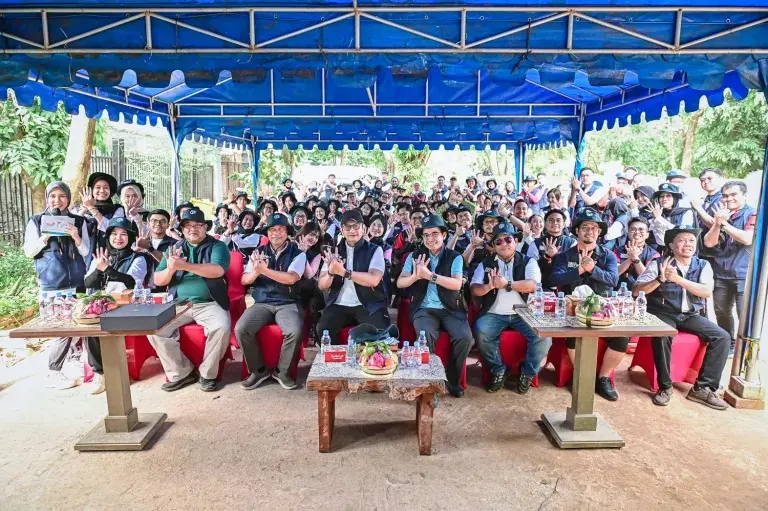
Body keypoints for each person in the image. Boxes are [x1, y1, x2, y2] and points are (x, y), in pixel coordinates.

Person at [633, 228, 729, 410]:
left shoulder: (703, 265)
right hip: (663, 312)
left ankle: (703, 388)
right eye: (682, 240)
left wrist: (677, 279)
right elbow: (637, 291)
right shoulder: (658, 264)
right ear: (671, 245)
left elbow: (706, 291)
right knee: (663, 334)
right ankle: (665, 386)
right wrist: (660, 279)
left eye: (691, 240)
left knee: (722, 337)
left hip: (689, 315)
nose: (687, 244)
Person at [149, 208, 231, 392]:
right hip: (179, 303)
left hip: (210, 302)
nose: (192, 229)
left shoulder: (217, 246)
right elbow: (158, 280)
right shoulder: (174, 249)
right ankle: (182, 372)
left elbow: (217, 270)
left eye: (197, 225)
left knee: (221, 327)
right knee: (154, 329)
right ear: (182, 229)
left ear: (205, 227)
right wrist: (171, 268)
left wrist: (184, 265)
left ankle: (207, 374)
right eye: (187, 226)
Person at [550, 208, 628, 401]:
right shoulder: (565, 256)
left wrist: (593, 269)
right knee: (573, 334)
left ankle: (603, 378)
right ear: (577, 231)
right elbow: (554, 278)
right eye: (585, 227)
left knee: (622, 337)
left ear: (599, 232)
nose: (589, 231)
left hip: (602, 309)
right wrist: (578, 271)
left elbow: (613, 280)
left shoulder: (607, 255)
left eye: (594, 228)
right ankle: (584, 377)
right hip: (573, 309)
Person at [24, 181, 91, 390]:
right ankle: (53, 372)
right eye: (53, 196)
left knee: (77, 327)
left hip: (76, 283)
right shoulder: (37, 221)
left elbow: (86, 251)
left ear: (68, 199)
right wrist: (45, 237)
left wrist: (76, 236)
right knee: (61, 330)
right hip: (52, 286)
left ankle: (72, 363)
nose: (57, 200)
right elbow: (29, 252)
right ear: (47, 198)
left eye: (62, 196)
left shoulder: (78, 221)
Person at [396, 215, 471, 398]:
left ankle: (452, 381)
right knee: (425, 334)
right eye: (426, 235)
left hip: (451, 308)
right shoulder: (414, 256)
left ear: (444, 235)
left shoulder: (455, 257)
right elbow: (400, 283)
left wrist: (430, 275)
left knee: (465, 338)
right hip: (424, 308)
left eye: (435, 234)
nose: (430, 239)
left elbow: (457, 284)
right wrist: (415, 276)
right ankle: (429, 385)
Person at [472, 222, 550, 394]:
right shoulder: (485, 264)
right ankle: (499, 369)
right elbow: (474, 289)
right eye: (498, 241)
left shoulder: (528, 261)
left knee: (544, 336)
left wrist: (507, 284)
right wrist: (488, 287)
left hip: (524, 312)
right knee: (481, 331)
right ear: (494, 246)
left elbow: (532, 285)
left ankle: (527, 373)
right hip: (494, 312)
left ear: (516, 241)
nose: (504, 244)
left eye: (508, 239)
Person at [236, 214, 306, 391]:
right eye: (272, 230)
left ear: (287, 232)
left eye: (280, 229)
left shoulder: (298, 254)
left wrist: (264, 270)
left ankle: (282, 372)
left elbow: (291, 278)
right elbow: (245, 280)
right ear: (267, 233)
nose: (276, 233)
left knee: (294, 330)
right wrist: (256, 271)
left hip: (287, 302)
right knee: (241, 328)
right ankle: (258, 370)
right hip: (262, 302)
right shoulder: (258, 252)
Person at [83, 218, 148, 395]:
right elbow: (88, 283)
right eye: (114, 234)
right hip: (102, 307)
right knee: (90, 327)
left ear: (130, 237)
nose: (118, 238)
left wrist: (107, 269)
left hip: (127, 306)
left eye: (123, 234)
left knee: (106, 324)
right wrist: (99, 268)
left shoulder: (138, 258)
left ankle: (116, 371)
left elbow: (130, 282)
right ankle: (100, 373)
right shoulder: (100, 256)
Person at [316, 209, 390, 343]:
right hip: (339, 304)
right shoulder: (333, 251)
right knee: (323, 329)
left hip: (368, 304)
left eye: (356, 226)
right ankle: (338, 356)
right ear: (342, 230)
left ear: (363, 228)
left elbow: (374, 280)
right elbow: (322, 285)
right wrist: (331, 273)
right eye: (347, 227)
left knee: (378, 334)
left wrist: (344, 272)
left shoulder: (375, 250)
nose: (352, 230)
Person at [703, 180, 756, 353]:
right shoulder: (722, 215)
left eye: (734, 195)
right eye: (725, 196)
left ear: (744, 196)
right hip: (720, 272)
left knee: (744, 314)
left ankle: (746, 350)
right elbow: (709, 243)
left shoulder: (753, 214)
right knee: (721, 312)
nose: (729, 199)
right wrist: (718, 223)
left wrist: (724, 224)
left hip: (743, 273)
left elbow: (747, 239)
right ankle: (728, 346)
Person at [528, 209, 576, 290]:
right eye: (551, 220)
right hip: (542, 287)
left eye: (558, 220)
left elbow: (574, 265)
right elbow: (531, 267)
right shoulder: (535, 243)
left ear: (564, 224)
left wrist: (556, 257)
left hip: (566, 287)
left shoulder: (572, 242)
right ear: (545, 224)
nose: (555, 223)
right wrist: (546, 257)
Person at [135, 209, 176, 290]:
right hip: (141, 288)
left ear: (168, 225)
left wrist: (149, 248)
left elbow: (170, 263)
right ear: (148, 224)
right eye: (154, 221)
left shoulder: (175, 244)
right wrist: (136, 250)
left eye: (162, 221)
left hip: (165, 288)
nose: (158, 224)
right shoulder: (139, 241)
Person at [616, 217, 659, 290]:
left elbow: (648, 278)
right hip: (618, 291)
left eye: (641, 229)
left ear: (647, 234)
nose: (637, 232)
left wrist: (635, 258)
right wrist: (630, 259)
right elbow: (614, 273)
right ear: (628, 232)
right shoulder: (617, 251)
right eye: (633, 229)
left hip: (642, 293)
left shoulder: (654, 254)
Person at [649, 183, 695, 247]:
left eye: (668, 196)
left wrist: (659, 219)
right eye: (661, 196)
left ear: (674, 198)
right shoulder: (657, 213)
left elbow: (681, 233)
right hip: (663, 250)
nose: (664, 199)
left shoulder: (686, 212)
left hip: (682, 249)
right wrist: (656, 219)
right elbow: (659, 240)